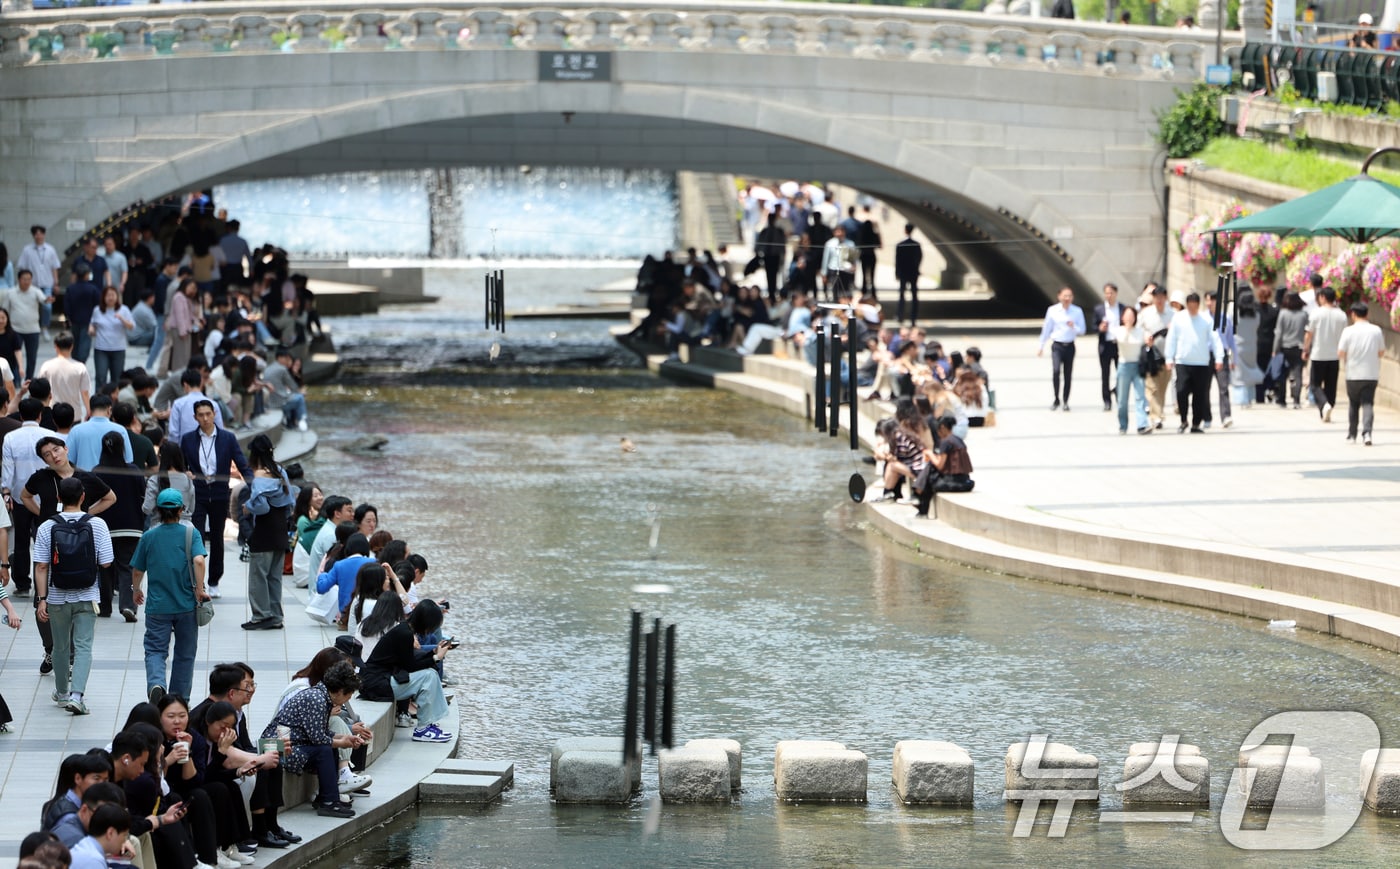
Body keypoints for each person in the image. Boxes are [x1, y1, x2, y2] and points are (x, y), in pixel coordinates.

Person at [34, 476, 114, 715]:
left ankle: (61, 694)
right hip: (87, 595)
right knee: (83, 646)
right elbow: (107, 563)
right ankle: (77, 696)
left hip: (57, 597)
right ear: (83, 497)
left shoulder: (47, 526)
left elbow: (41, 566)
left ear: (58, 498)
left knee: (59, 646)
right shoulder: (97, 524)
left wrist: (42, 599)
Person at [261, 661, 366, 819]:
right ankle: (329, 802)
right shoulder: (316, 698)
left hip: (292, 743)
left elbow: (320, 734)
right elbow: (318, 739)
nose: (348, 699)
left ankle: (327, 798)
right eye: (348, 695)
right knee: (324, 750)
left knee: (328, 747)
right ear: (339, 691)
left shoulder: (320, 696)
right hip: (275, 746)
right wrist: (342, 741)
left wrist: (345, 737)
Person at [157, 694, 252, 868]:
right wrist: (168, 760)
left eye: (182, 716)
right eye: (171, 716)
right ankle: (193, 857)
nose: (177, 721)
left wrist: (189, 753)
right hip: (163, 790)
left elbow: (195, 781)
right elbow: (155, 779)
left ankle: (216, 853)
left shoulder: (194, 738)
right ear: (160, 717)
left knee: (212, 790)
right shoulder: (156, 740)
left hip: (186, 786)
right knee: (181, 798)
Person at [132, 487, 208, 703]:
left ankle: (157, 683)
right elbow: (199, 560)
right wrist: (200, 589)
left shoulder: (149, 536)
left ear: (157, 510)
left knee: (155, 649)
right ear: (181, 510)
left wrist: (136, 589)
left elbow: (138, 570)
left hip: (158, 606)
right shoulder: (190, 533)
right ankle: (179, 699)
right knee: (185, 654)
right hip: (186, 604)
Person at [180, 399, 251, 597]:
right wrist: (185, 472)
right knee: (197, 536)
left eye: (208, 414)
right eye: (200, 415)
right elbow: (180, 463)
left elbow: (242, 463)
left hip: (220, 493)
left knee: (218, 538)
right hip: (198, 493)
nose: (205, 418)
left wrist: (254, 485)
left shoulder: (227, 438)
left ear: (214, 415)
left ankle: (214, 581)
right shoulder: (188, 439)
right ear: (195, 417)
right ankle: (196, 580)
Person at [359, 600, 455, 743]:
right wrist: (436, 657)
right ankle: (423, 729)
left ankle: (427, 724)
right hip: (376, 684)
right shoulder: (404, 633)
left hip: (380, 680)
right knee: (428, 676)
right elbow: (410, 666)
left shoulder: (404, 629)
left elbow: (409, 662)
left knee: (431, 674)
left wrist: (434, 653)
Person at [3, 397, 55, 596]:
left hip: (20, 496)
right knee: (47, 538)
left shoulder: (11, 438)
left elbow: (8, 470)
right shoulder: (51, 435)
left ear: (21, 415)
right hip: (47, 496)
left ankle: (22, 583)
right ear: (40, 415)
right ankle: (46, 579)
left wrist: (6, 491)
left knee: (22, 540)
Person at [243, 434, 293, 631]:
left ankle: (261, 616)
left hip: (264, 530)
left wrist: (248, 507)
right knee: (274, 576)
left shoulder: (259, 475)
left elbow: (261, 506)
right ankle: (276, 616)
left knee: (258, 575)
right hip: (280, 528)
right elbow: (290, 501)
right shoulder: (280, 471)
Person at [94, 431, 144, 622]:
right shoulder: (133, 470)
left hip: (104, 527)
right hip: (131, 526)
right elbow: (143, 495)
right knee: (127, 567)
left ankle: (104, 606)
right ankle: (128, 605)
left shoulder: (97, 471)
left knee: (104, 567)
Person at [1165, 292, 1224, 433]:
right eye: (1190, 306)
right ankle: (1184, 419)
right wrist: (1169, 357)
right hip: (1182, 361)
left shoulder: (1205, 319)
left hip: (1201, 362)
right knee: (1181, 391)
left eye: (1195, 306)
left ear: (1198, 305)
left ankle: (1196, 423)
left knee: (1200, 394)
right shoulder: (1178, 318)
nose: (1192, 309)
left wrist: (1219, 357)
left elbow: (1215, 339)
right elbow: (1171, 338)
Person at [1338, 301, 1384, 446]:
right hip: (1371, 373)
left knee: (1353, 404)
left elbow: (1341, 352)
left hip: (1353, 374)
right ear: (1367, 314)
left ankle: (1352, 435)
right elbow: (1381, 352)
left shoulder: (1348, 331)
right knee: (1368, 404)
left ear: (1353, 314)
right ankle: (1367, 433)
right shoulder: (1376, 330)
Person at [1036, 287, 1085, 411]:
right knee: (1056, 371)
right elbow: (1047, 329)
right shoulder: (1053, 311)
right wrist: (1040, 345)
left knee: (1068, 374)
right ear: (1059, 296)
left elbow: (1083, 330)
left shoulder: (1077, 311)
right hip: (1057, 346)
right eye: (1065, 296)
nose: (1067, 298)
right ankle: (1056, 398)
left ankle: (1066, 400)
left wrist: (1074, 326)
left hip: (1070, 345)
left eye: (1070, 296)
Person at [1304, 286, 1347, 423]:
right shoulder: (1342, 315)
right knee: (1331, 385)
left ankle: (1324, 404)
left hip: (1318, 354)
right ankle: (1328, 407)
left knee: (1315, 384)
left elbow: (1308, 334)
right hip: (1334, 355)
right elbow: (1345, 336)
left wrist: (1305, 349)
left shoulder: (1316, 314)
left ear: (1322, 297)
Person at [315, 533, 373, 626]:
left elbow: (321, 588)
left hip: (346, 616)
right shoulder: (374, 563)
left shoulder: (339, 565)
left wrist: (323, 574)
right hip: (370, 613)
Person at [65, 395, 134, 472]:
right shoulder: (120, 430)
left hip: (84, 480)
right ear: (109, 410)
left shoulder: (76, 430)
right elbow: (128, 459)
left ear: (90, 410)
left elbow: (68, 459)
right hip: (111, 480)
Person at [1138, 284, 1174, 429]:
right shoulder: (1145, 314)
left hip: (1167, 356)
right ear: (1152, 298)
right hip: (1151, 355)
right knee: (1152, 387)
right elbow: (1138, 329)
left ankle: (1159, 412)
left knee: (1162, 387)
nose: (1159, 300)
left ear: (1165, 298)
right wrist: (1145, 337)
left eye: (1161, 297)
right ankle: (1156, 416)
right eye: (1156, 297)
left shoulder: (1172, 314)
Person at [36, 333, 90, 423]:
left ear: (56, 346)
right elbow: (85, 393)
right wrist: (88, 410)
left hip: (52, 413)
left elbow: (39, 390)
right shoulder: (80, 367)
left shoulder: (46, 366)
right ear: (72, 346)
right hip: (74, 413)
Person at [3, 269, 46, 380]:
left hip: (33, 329)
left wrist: (48, 300)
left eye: (29, 279)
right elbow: (5, 310)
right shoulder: (11, 293)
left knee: (32, 357)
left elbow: (43, 299)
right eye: (24, 279)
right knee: (15, 356)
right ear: (19, 279)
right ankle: (16, 379)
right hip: (15, 329)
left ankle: (29, 379)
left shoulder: (35, 291)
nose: (26, 282)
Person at [89, 286, 135, 388]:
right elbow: (92, 323)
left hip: (118, 348)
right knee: (101, 377)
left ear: (117, 297)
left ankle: (115, 401)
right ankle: (99, 401)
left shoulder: (124, 310)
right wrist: (91, 329)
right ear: (103, 297)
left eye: (113, 295)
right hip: (101, 348)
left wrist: (122, 319)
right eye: (108, 295)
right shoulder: (97, 310)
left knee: (117, 378)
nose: (111, 298)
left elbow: (132, 326)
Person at [1115, 305, 1150, 435]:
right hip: (1124, 366)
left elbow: (1145, 341)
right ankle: (1123, 425)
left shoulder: (1140, 331)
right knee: (1122, 400)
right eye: (1127, 315)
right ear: (1122, 317)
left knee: (1140, 396)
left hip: (1137, 366)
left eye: (1132, 315)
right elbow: (1123, 342)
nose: (1129, 318)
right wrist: (1128, 329)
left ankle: (1142, 424)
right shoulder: (1119, 330)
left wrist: (1148, 341)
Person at [143, 441, 196, 525]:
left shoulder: (155, 480)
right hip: (185, 528)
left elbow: (147, 508)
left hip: (159, 527)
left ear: (161, 457)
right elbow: (192, 508)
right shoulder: (188, 480)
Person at [1272, 291, 1308, 409]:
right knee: (1298, 374)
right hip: (1299, 347)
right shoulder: (1304, 314)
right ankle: (1296, 400)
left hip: (1284, 347)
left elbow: (1279, 333)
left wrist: (1275, 349)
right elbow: (1307, 332)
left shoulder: (1283, 313)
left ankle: (1282, 399)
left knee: (1283, 374)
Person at [261, 346, 308, 431]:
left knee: (292, 396)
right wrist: (302, 392)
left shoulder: (269, 367)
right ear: (280, 358)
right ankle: (302, 421)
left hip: (270, 401)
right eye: (287, 358)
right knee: (300, 398)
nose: (288, 361)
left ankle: (291, 423)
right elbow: (293, 386)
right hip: (278, 402)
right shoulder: (282, 369)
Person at [1093, 283, 1122, 412]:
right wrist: (1100, 328)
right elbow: (1093, 326)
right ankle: (1107, 401)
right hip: (1105, 345)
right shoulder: (1099, 309)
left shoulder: (1122, 308)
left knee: (1121, 373)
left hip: (1119, 345)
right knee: (1105, 374)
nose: (1109, 295)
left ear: (1116, 293)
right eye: (1107, 293)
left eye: (1111, 293)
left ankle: (1118, 394)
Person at [291, 482, 324, 589]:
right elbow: (311, 542)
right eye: (315, 496)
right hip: (306, 570)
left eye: (320, 494)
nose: (320, 498)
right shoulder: (303, 520)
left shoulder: (319, 516)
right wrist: (315, 521)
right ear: (307, 500)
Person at [894, 224, 922, 325]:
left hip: (903, 273)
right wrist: (917, 268)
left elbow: (897, 260)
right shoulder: (916, 244)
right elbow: (919, 257)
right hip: (913, 272)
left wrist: (897, 273)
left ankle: (900, 316)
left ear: (905, 230)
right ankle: (913, 318)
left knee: (902, 295)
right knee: (914, 295)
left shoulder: (900, 244)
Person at [755, 213, 787, 303]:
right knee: (769, 276)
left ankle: (773, 292)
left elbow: (782, 245)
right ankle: (771, 293)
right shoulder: (765, 231)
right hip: (768, 256)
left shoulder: (779, 231)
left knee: (775, 276)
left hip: (775, 257)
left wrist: (782, 256)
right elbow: (759, 245)